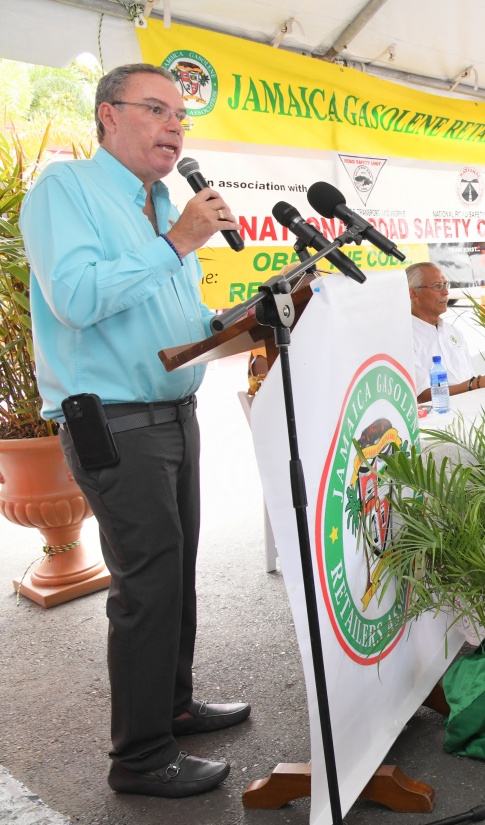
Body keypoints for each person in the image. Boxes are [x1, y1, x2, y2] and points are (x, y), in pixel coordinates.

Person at [21, 63, 250, 798]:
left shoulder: (160, 207)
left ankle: (172, 706)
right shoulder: (66, 190)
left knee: (174, 571)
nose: (175, 126)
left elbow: (171, 320)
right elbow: (76, 297)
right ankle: (141, 756)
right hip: (116, 423)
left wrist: (235, 321)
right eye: (157, 109)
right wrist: (177, 242)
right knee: (147, 583)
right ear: (108, 115)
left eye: (181, 115)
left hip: (176, 414)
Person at [407, 262, 485, 401]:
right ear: (413, 293)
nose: (445, 292)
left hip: (472, 406)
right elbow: (423, 396)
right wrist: (475, 383)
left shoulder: (453, 332)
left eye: (445, 285)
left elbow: (470, 378)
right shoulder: (406, 337)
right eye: (437, 286)